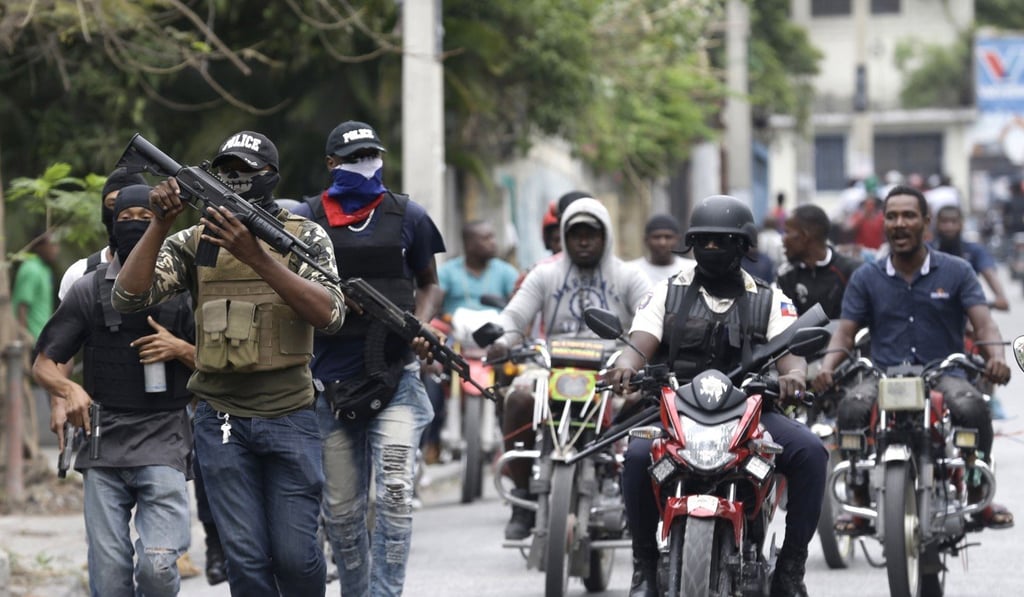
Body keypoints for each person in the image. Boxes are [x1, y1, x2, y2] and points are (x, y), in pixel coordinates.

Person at [113, 130, 346, 597]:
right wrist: (159, 222)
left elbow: (330, 314)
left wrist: (257, 257)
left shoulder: (303, 236)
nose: (235, 180)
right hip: (221, 421)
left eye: (246, 171)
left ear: (271, 178)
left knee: (297, 558)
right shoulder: (196, 241)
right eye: (227, 171)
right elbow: (128, 296)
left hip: (290, 415)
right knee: (246, 558)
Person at [602, 195, 825, 597]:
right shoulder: (666, 293)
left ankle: (791, 569)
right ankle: (644, 567)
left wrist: (794, 379)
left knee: (811, 451)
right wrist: (626, 366)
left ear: (743, 245)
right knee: (635, 456)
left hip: (750, 413)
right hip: (675, 412)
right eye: (703, 241)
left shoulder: (771, 298)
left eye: (722, 241)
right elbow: (638, 345)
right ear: (691, 245)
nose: (711, 249)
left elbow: (793, 359)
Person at [290, 119, 445, 597]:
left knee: (396, 493)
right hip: (328, 383)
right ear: (331, 164)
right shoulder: (305, 218)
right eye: (354, 159)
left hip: (396, 378)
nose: (365, 167)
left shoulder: (408, 216)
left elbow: (430, 284)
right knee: (341, 511)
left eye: (371, 157)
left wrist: (418, 325)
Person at [813, 185, 1014, 534]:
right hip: (883, 373)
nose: (899, 223)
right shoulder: (866, 277)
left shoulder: (957, 271)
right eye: (892, 216)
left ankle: (979, 491)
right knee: (850, 408)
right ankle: (860, 501)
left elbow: (985, 325)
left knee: (972, 407)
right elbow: (845, 334)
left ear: (926, 222)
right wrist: (825, 369)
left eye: (908, 215)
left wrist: (996, 357)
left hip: (944, 372)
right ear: (884, 223)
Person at [32, 185, 196, 597]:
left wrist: (181, 349)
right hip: (103, 440)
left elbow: (221, 363)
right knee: (108, 578)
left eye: (147, 216)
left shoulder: (186, 292)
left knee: (159, 566)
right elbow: (44, 363)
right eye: (125, 218)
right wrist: (67, 390)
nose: (136, 225)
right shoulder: (88, 290)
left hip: (164, 437)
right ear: (111, 226)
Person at [486, 198, 651, 540]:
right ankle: (522, 498)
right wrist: (502, 341)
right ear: (564, 235)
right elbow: (516, 317)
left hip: (611, 370)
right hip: (551, 368)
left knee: (644, 403)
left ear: (606, 236)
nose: (584, 241)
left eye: (592, 233)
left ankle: (622, 487)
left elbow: (651, 318)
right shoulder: (545, 274)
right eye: (576, 234)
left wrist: (635, 359)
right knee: (517, 398)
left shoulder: (629, 276)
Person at [57, 167, 146, 301]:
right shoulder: (79, 274)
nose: (120, 213)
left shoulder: (174, 272)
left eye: (142, 215)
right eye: (113, 204)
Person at [777, 204, 863, 318]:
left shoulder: (852, 272)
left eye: (787, 232)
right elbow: (785, 322)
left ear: (804, 236)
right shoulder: (786, 276)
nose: (783, 239)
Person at [931, 205, 1009, 311]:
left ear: (961, 224)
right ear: (937, 224)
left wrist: (1000, 296)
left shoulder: (974, 250)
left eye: (954, 222)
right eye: (944, 222)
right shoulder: (927, 251)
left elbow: (989, 273)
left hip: (967, 309)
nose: (949, 226)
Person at [12, 230, 59, 341]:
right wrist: (23, 335)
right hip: (32, 340)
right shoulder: (31, 268)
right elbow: (22, 305)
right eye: (52, 245)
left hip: (42, 337)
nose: (56, 249)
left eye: (57, 245)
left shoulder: (45, 269)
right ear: (39, 246)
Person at [627, 213, 691, 283]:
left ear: (678, 239)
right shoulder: (631, 271)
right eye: (656, 237)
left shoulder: (691, 269)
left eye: (668, 237)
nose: (662, 243)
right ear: (645, 240)